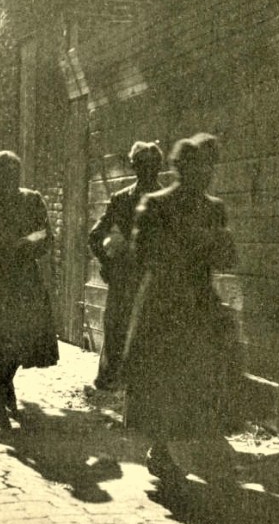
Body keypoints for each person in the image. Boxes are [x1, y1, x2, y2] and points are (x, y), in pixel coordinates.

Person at [122, 132, 244, 486]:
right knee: (161, 376)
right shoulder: (155, 205)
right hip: (162, 302)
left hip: (198, 302)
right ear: (180, 169)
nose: (206, 176)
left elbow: (226, 257)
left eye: (209, 169)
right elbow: (142, 255)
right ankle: (159, 449)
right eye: (198, 168)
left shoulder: (214, 208)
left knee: (200, 374)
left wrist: (216, 243)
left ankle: (196, 444)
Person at [0, 151, 59, 430]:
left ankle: (6, 385)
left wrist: (25, 242)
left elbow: (45, 235)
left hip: (24, 278)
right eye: (3, 174)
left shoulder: (33, 200)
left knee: (22, 340)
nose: (9, 180)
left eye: (13, 174)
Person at [88, 141, 164, 390]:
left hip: (152, 279)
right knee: (116, 327)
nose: (147, 171)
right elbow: (95, 235)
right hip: (125, 277)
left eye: (151, 166)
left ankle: (142, 387)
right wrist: (108, 263)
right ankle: (111, 382)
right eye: (141, 165)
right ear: (134, 167)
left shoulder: (167, 203)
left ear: (158, 168)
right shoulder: (121, 200)